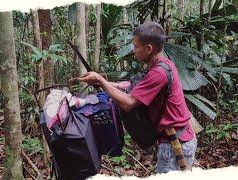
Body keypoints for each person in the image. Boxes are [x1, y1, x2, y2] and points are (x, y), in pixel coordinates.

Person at [78, 22, 197, 173]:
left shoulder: (158, 73)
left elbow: (129, 103)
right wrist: (104, 83)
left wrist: (101, 81)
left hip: (175, 145)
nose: (133, 50)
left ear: (148, 49)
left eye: (135, 46)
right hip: (178, 139)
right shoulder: (163, 65)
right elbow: (134, 88)